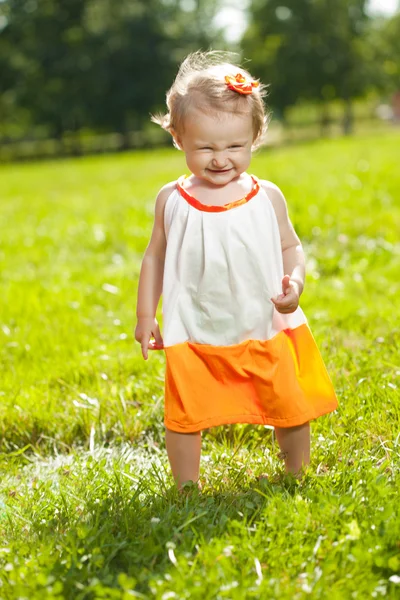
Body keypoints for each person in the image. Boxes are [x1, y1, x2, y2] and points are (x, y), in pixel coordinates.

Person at [135, 51, 338, 489]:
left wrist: (296, 282)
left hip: (262, 320)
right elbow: (154, 256)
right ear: (178, 138)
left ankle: (296, 472)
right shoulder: (172, 199)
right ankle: (186, 486)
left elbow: (291, 245)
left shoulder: (267, 196)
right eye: (204, 147)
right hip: (195, 325)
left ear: (255, 138)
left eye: (234, 147)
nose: (220, 158)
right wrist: (145, 316)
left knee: (287, 400)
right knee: (186, 410)